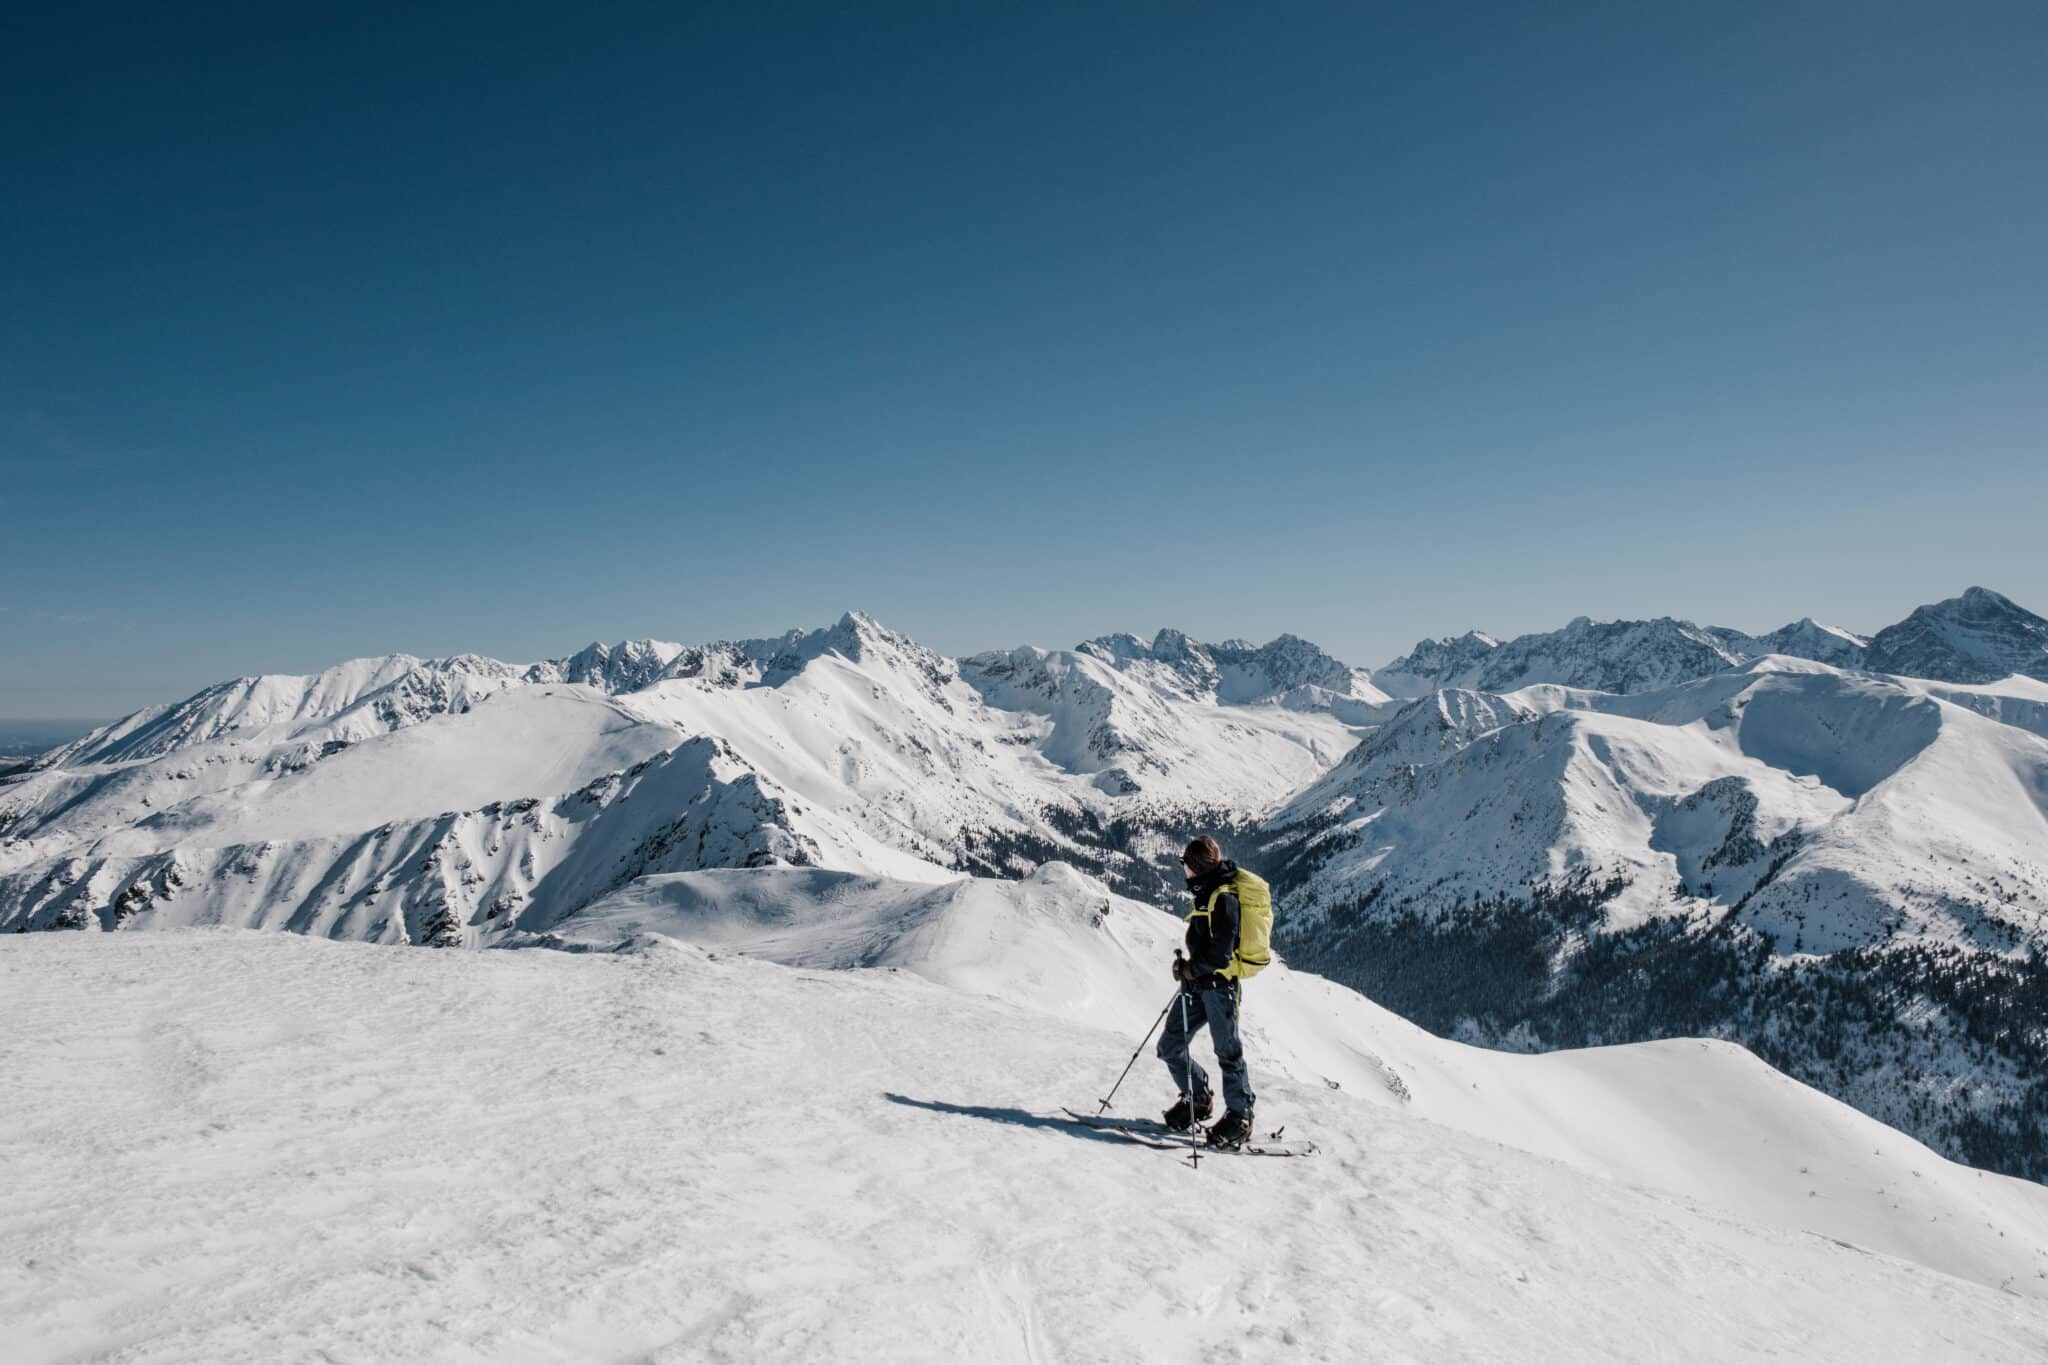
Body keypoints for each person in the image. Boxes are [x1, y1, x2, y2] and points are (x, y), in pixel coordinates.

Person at [1157, 835, 1258, 1148]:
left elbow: (1221, 955)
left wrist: (1190, 969)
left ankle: (1240, 1117)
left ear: (1196, 866)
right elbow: (1205, 947)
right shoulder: (1205, 894)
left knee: (1228, 1053)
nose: (1183, 869)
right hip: (1198, 986)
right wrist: (1187, 968)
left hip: (1219, 989)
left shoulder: (1224, 898)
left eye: (1185, 864)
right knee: (1170, 1045)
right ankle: (1198, 1098)